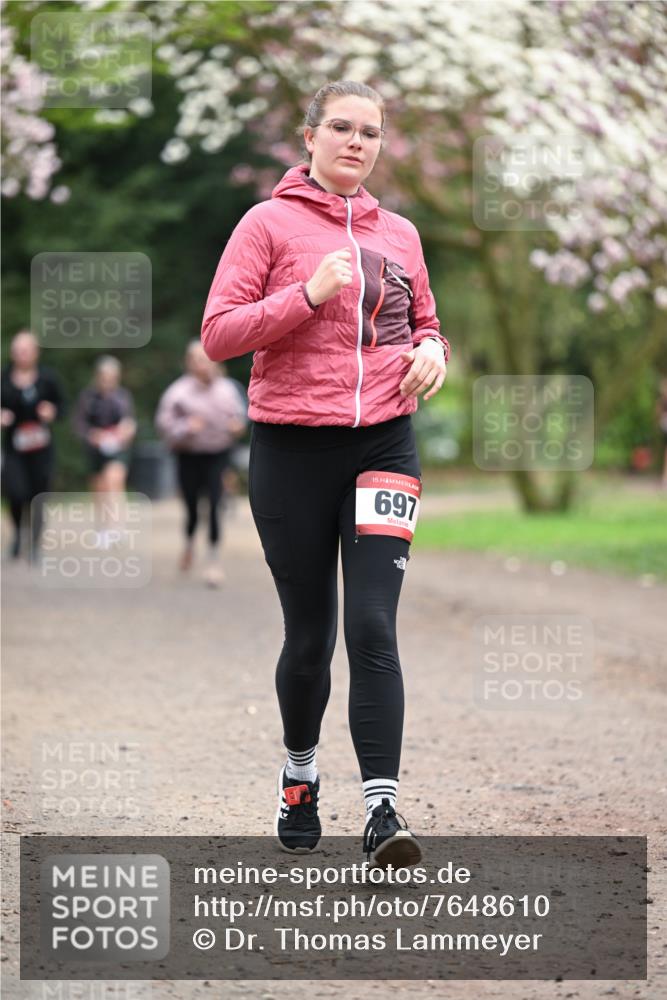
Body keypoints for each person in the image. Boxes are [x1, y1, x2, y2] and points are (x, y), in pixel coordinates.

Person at [201, 80, 450, 868]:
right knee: (309, 637)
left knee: (372, 625)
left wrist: (433, 350)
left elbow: (425, 322)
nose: (355, 142)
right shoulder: (266, 224)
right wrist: (305, 296)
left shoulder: (400, 233)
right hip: (291, 451)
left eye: (369, 132)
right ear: (307, 137)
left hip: (384, 446)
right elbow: (219, 334)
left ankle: (381, 812)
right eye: (340, 127)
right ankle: (300, 774)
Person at [155, 340, 247, 586]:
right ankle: (188, 543)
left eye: (205, 358)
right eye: (196, 359)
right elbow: (163, 424)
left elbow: (241, 415)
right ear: (188, 363)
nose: (202, 363)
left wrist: (237, 425)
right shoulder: (177, 392)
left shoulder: (228, 389)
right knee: (192, 507)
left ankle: (213, 560)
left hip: (218, 454)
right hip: (188, 455)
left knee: (215, 504)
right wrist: (185, 427)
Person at [1, 330, 66, 562]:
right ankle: (18, 534)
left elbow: (63, 407)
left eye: (25, 350)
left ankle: (35, 544)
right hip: (14, 448)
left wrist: (52, 411)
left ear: (35, 353)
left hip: (41, 450)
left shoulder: (48, 378)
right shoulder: (4, 378)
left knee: (38, 496)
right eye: (17, 351)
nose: (21, 355)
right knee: (16, 492)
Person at [73, 356, 136, 548]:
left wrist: (125, 431)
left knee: (113, 481)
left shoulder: (123, 397)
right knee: (99, 488)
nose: (108, 381)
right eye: (104, 377)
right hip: (95, 450)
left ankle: (116, 526)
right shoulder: (88, 397)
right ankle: (102, 527)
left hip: (117, 448)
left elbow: (130, 422)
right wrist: (91, 435)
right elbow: (79, 424)